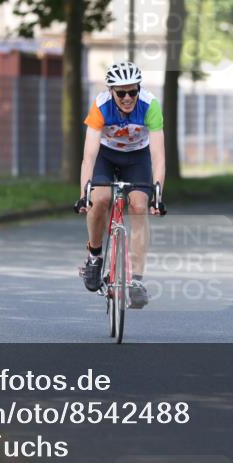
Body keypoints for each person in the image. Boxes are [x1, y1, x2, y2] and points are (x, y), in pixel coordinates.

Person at [75, 61, 166, 309]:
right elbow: (89, 156)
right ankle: (95, 255)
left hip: (137, 156)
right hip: (106, 155)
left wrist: (157, 194)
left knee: (139, 206)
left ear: (139, 89)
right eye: (121, 92)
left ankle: (135, 279)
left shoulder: (150, 105)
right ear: (111, 91)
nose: (127, 98)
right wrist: (85, 193)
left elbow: (158, 156)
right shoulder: (101, 106)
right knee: (100, 199)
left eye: (132, 91)